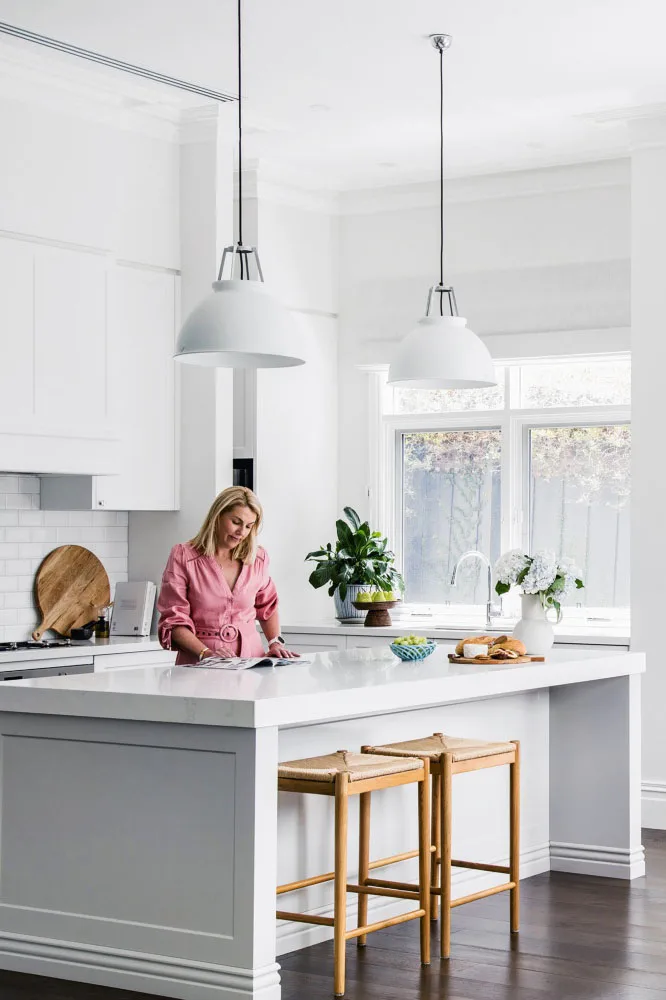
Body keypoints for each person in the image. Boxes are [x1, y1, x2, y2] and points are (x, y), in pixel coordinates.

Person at [157, 486, 299, 665]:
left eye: (249, 526)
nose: (242, 532)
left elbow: (268, 607)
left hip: (251, 660)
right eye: (236, 522)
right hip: (199, 662)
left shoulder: (258, 558)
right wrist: (207, 654)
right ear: (217, 516)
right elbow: (174, 620)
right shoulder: (184, 556)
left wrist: (275, 642)